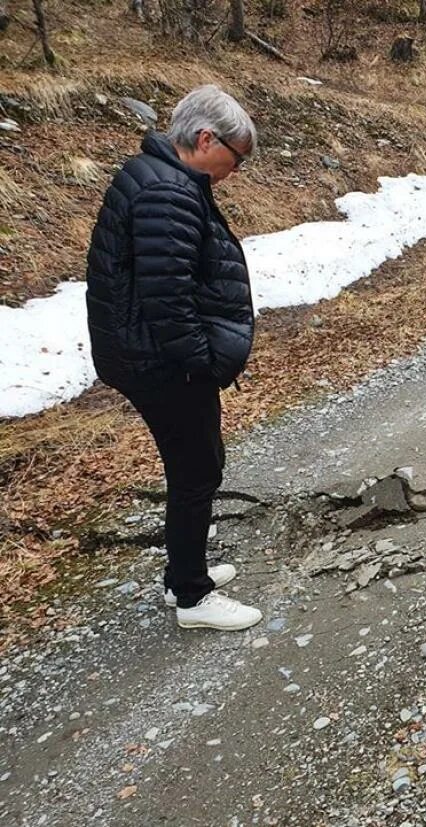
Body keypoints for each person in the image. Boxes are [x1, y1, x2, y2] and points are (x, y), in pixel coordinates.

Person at [85, 85, 261, 631]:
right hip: (163, 362)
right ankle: (192, 596)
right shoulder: (169, 192)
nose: (234, 170)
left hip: (140, 352)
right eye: (235, 158)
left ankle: (183, 573)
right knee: (197, 470)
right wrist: (202, 362)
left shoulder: (151, 172)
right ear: (206, 138)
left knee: (191, 466)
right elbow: (168, 297)